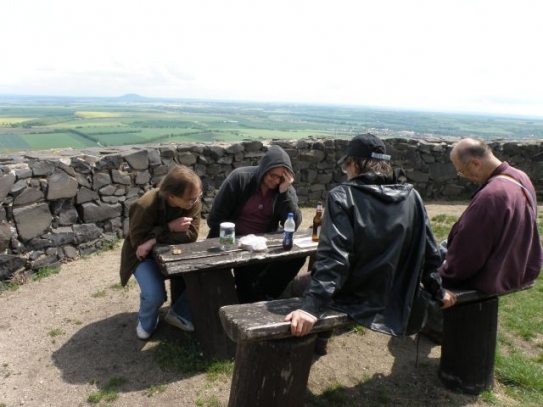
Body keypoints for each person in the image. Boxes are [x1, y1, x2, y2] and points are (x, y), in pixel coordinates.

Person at [285, 134, 457, 346]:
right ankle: (321, 340)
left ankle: (314, 343)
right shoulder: (412, 196)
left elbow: (335, 257)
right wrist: (437, 290)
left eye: (346, 165)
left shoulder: (342, 196)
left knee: (294, 286)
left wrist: (311, 307)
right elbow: (429, 251)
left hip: (354, 298)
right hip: (398, 296)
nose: (346, 172)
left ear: (355, 164)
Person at [439, 137, 542, 293]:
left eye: (462, 171)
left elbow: (467, 257)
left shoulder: (491, 196)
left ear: (476, 163)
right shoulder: (521, 176)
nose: (464, 176)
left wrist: (439, 274)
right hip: (517, 268)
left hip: (493, 276)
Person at [207, 145, 305, 303]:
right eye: (272, 175)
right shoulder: (239, 179)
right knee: (244, 288)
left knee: (296, 257)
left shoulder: (284, 188)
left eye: (281, 177)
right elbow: (214, 219)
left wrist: (285, 191)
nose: (275, 180)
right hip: (232, 241)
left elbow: (295, 223)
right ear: (264, 169)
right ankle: (249, 293)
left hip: (261, 244)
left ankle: (266, 291)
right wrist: (236, 240)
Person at [120, 165, 203, 340]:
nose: (195, 202)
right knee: (154, 295)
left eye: (197, 197)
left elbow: (191, 235)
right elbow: (138, 244)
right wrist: (170, 227)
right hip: (142, 257)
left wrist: (154, 239)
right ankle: (146, 322)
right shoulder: (145, 205)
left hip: (172, 252)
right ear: (172, 196)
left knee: (201, 276)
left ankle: (180, 313)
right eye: (190, 199)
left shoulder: (192, 200)